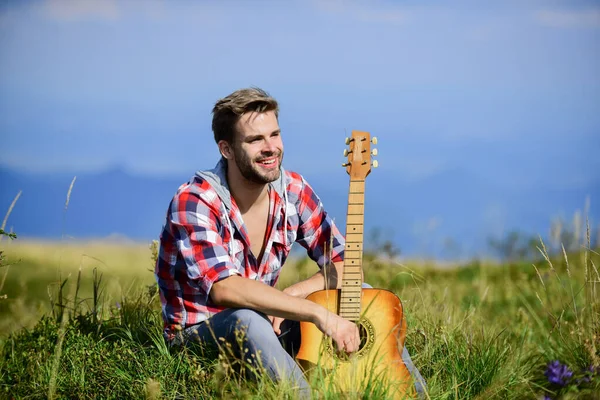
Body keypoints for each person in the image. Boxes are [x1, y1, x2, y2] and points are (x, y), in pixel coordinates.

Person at [154, 87, 426, 396]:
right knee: (247, 320)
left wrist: (294, 295)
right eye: (255, 140)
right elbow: (224, 288)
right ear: (226, 149)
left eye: (274, 135)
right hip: (201, 337)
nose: (270, 148)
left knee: (362, 295)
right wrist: (316, 312)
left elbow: (346, 266)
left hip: (269, 326)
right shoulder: (196, 200)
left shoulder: (293, 191)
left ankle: (411, 392)